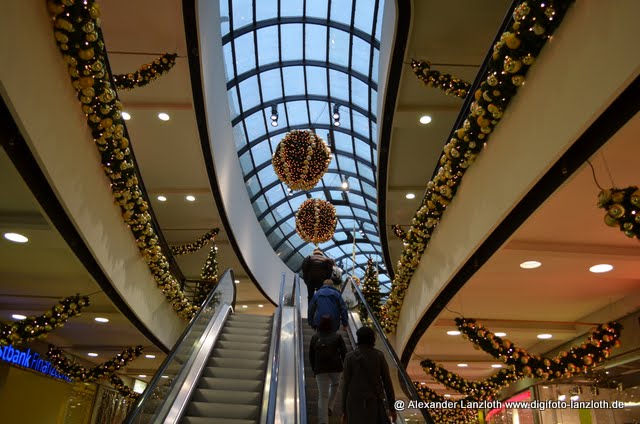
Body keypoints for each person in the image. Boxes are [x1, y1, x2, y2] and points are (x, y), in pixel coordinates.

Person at [341, 326, 396, 424]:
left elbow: (346, 384)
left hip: (354, 404)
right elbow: (387, 383)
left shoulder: (349, 357)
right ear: (372, 339)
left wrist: (344, 411)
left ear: (358, 338)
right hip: (373, 402)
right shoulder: (379, 356)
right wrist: (392, 407)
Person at [309, 315, 347, 424]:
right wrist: (346, 368)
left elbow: (311, 355)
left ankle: (323, 421)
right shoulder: (337, 336)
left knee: (323, 395)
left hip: (320, 369)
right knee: (335, 386)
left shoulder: (315, 337)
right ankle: (330, 406)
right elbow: (344, 353)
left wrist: (314, 369)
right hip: (336, 368)